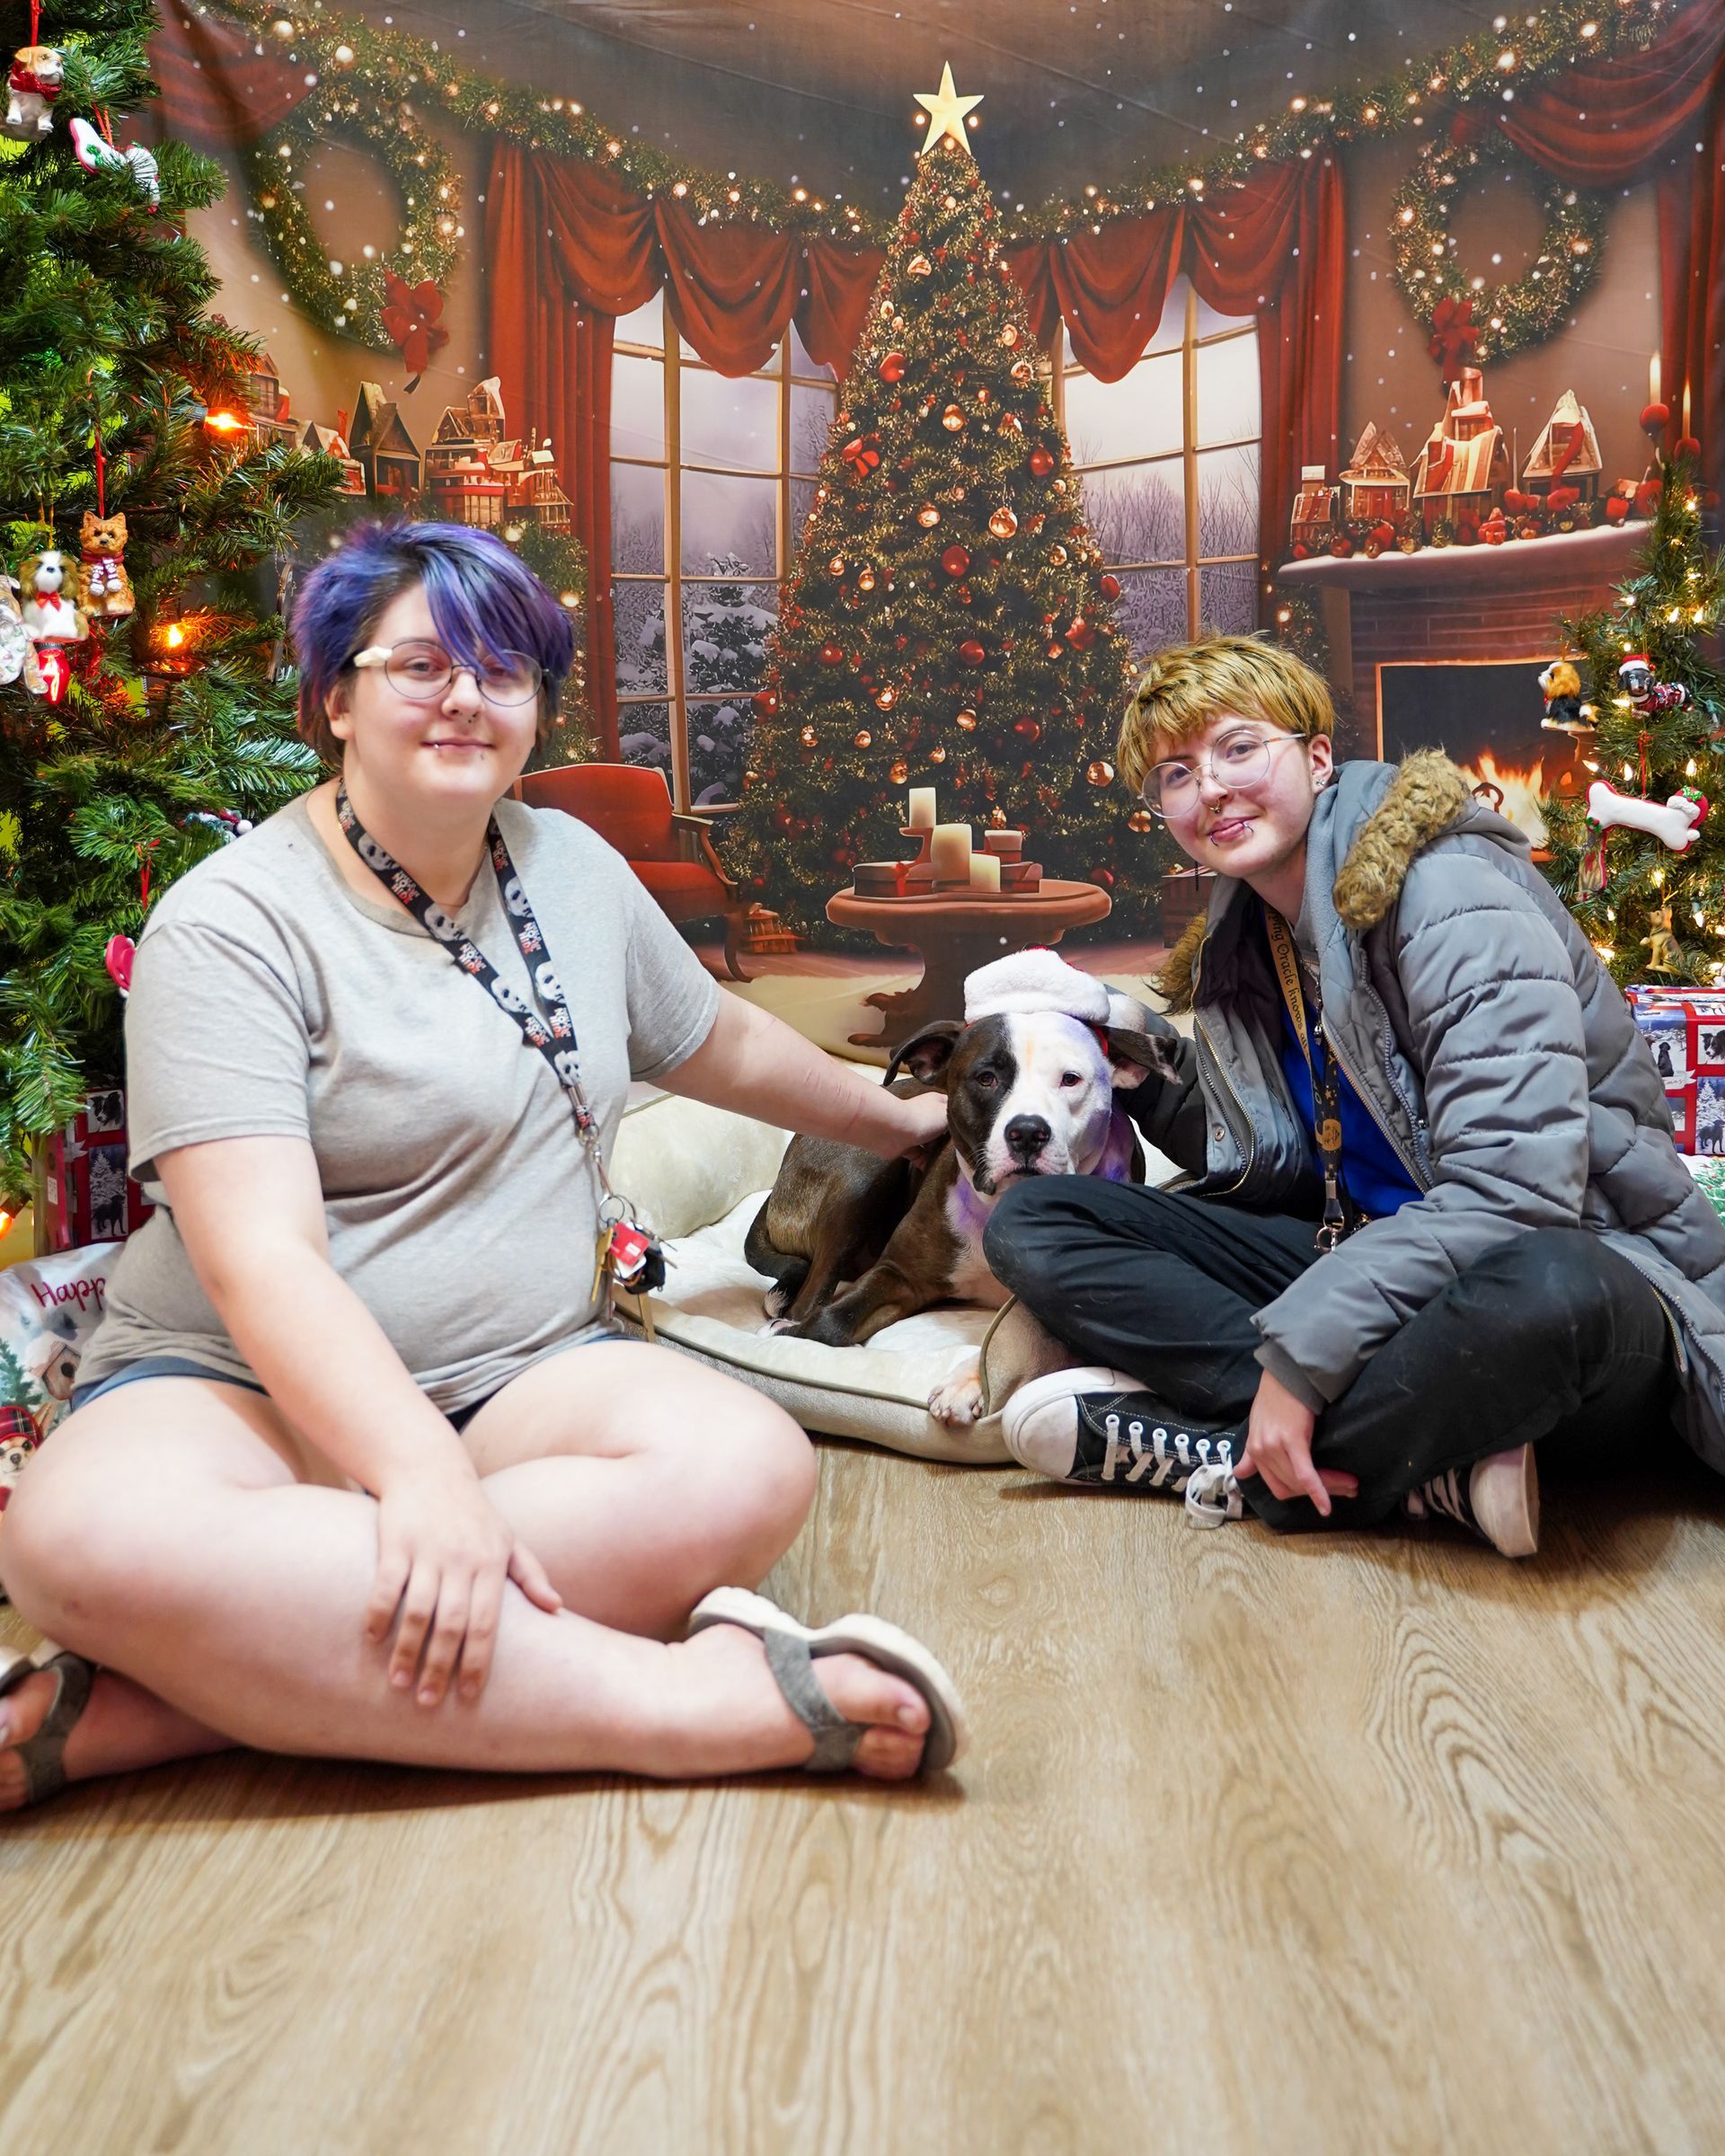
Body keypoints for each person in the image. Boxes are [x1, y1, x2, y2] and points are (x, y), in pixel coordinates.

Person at [0, 520, 964, 1811]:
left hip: (522, 1379)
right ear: (333, 697)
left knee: (752, 1466)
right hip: (237, 1398)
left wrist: (896, 1118)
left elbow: (710, 1034)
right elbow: (260, 1260)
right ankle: (689, 1706)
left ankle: (171, 1698)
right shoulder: (229, 924)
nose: (466, 695)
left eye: (504, 670)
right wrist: (419, 1482)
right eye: (421, 666)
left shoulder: (569, 863)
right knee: (73, 1542)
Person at [985, 635, 1725, 1555]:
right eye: (1176, 773)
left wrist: (1299, 1363)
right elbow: (1271, 1154)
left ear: (1319, 757)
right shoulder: (1250, 932)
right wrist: (1114, 1038)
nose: (1209, 788)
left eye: (1239, 748)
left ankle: (1230, 1454)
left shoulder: (1451, 895)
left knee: (1553, 1291)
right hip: (1373, 1258)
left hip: (1571, 1263)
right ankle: (1409, 1461)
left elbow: (1517, 1196)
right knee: (1039, 1221)